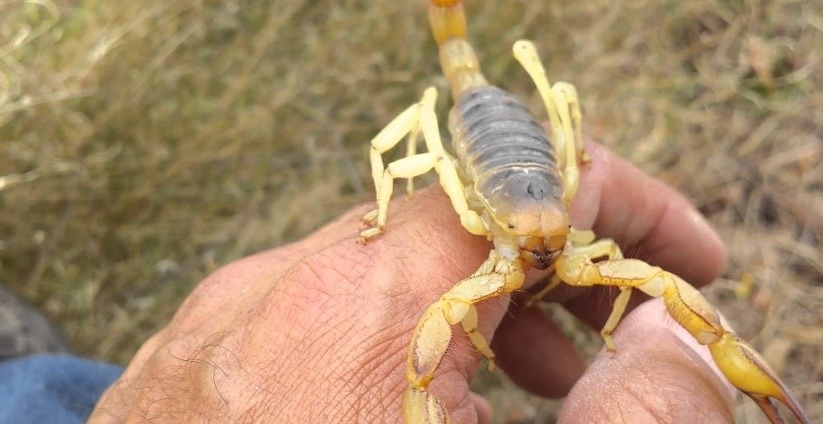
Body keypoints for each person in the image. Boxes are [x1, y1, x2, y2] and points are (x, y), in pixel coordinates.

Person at [2, 141, 735, 423]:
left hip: (531, 167)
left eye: (553, 247)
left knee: (29, 395)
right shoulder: (480, 218)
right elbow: (428, 165)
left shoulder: (557, 235)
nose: (542, 255)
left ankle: (19, 371)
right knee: (37, 393)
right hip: (494, 159)